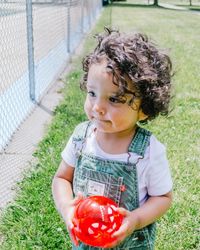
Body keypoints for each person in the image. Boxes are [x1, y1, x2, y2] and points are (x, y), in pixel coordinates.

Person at [52, 27, 173, 249]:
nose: (97, 107)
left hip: (131, 243)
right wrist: (67, 207)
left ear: (144, 108)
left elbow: (163, 198)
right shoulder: (81, 138)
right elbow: (62, 178)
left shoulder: (148, 151)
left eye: (115, 99)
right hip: (86, 241)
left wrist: (135, 219)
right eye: (92, 93)